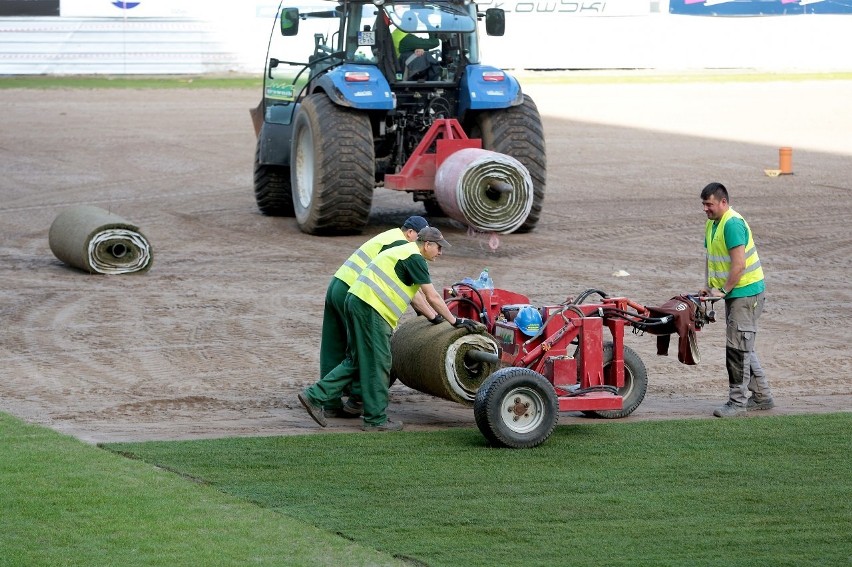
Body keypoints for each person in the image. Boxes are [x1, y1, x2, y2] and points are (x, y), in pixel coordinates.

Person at [299, 226, 485, 431]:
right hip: (371, 309)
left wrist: (433, 318)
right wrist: (455, 321)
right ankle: (375, 420)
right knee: (380, 362)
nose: (440, 252)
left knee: (357, 360)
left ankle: (314, 396)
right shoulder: (415, 258)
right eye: (439, 247)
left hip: (356, 301)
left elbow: (415, 298)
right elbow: (432, 296)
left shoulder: (402, 252)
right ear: (427, 244)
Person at [319, 216, 432, 419]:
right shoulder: (402, 246)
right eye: (420, 237)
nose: (422, 243)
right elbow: (415, 294)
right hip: (357, 294)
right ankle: (358, 400)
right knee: (368, 351)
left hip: (337, 284)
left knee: (333, 348)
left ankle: (329, 403)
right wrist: (431, 316)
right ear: (410, 234)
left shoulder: (388, 236)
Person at [699, 182, 774, 418]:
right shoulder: (713, 224)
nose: (705, 209)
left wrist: (722, 290)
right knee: (742, 344)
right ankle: (761, 396)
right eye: (703, 204)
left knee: (737, 348)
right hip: (736, 293)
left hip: (746, 293)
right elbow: (712, 258)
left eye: (709, 204)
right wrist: (709, 286)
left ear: (723, 202)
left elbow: (739, 264)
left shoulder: (731, 224)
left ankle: (737, 403)